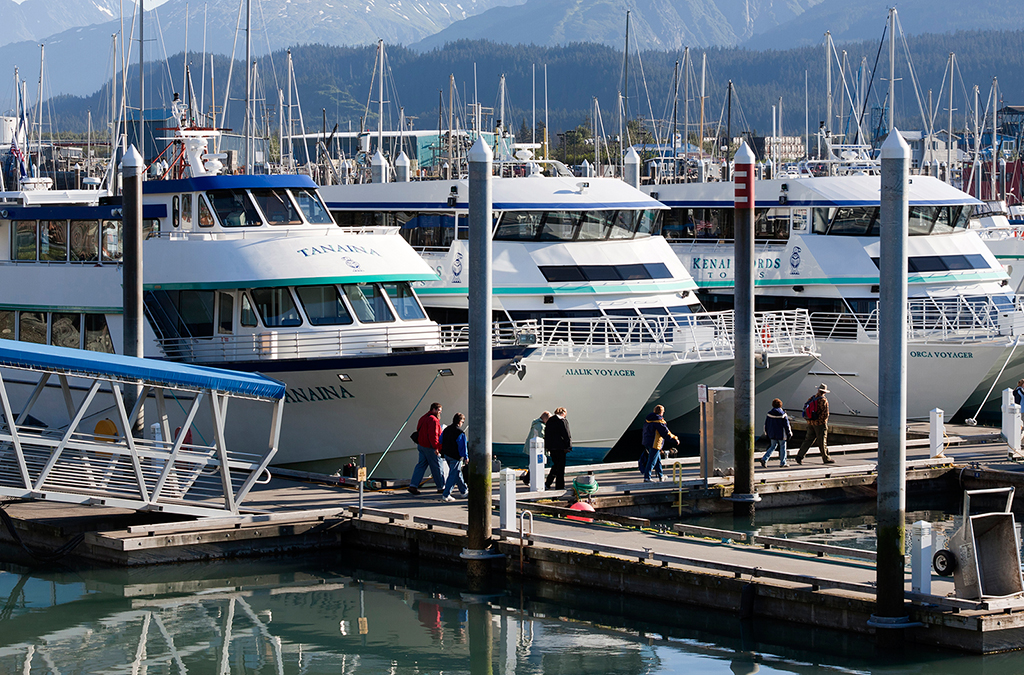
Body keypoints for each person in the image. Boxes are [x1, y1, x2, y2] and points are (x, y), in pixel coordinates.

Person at [408, 402, 448, 495]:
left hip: (421, 445)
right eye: (439, 410)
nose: (440, 412)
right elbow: (433, 435)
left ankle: (413, 485)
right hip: (430, 447)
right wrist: (436, 447)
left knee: (421, 465)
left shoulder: (423, 418)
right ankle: (441, 487)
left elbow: (419, 429)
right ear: (433, 409)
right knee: (437, 466)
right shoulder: (433, 420)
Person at [796, 384, 833, 465]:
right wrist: (823, 422)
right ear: (824, 392)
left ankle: (800, 456)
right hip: (819, 424)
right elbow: (825, 413)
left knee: (808, 440)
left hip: (810, 422)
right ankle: (826, 458)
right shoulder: (823, 400)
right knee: (822, 441)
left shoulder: (812, 398)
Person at [641, 405, 678, 482]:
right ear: (661, 412)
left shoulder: (648, 420)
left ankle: (661, 476)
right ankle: (647, 477)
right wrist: (675, 440)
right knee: (652, 461)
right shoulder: (659, 422)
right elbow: (665, 433)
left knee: (657, 460)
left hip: (647, 442)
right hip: (655, 443)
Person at [440, 413, 468, 502]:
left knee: (457, 473)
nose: (462, 423)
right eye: (462, 422)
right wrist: (465, 457)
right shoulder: (460, 433)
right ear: (460, 422)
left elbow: (440, 440)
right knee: (453, 474)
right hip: (456, 456)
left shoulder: (446, 430)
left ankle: (464, 491)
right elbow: (463, 446)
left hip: (447, 455)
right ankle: (446, 494)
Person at [760, 398, 793, 468]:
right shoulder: (783, 414)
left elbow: (766, 424)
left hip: (772, 433)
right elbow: (787, 425)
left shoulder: (769, 414)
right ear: (780, 405)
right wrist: (789, 433)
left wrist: (766, 433)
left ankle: (764, 458)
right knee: (783, 447)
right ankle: (783, 462)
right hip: (781, 434)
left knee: (772, 446)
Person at [544, 407, 572, 490]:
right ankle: (559, 486)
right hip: (561, 448)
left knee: (555, 465)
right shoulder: (562, 421)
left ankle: (548, 483)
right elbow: (567, 434)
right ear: (564, 413)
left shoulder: (550, 421)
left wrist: (548, 447)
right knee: (560, 468)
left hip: (552, 447)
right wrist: (568, 446)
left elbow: (547, 434)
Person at [521, 411, 551, 486]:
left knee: (533, 464)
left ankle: (527, 479)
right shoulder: (540, 426)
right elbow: (541, 437)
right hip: (536, 448)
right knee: (535, 464)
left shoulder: (535, 424)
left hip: (531, 447)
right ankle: (529, 480)